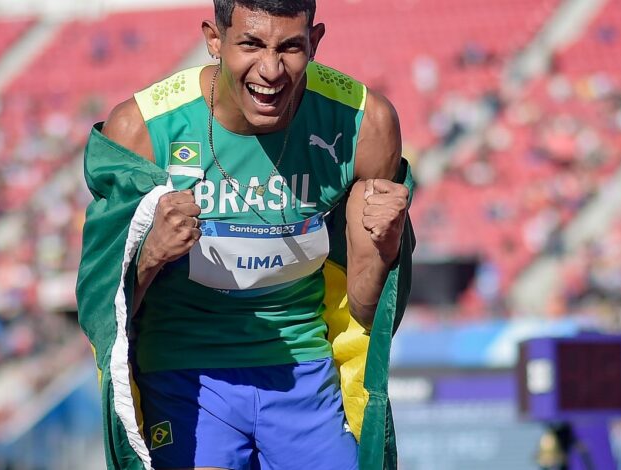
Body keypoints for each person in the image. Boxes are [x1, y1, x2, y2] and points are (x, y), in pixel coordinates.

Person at [76, 1, 415, 469]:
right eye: (251, 44)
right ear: (214, 39)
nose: (271, 70)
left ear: (315, 41)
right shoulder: (141, 130)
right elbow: (102, 316)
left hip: (304, 376)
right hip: (184, 376)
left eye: (291, 47)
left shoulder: (363, 124)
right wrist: (149, 254)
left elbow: (364, 311)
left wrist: (387, 246)